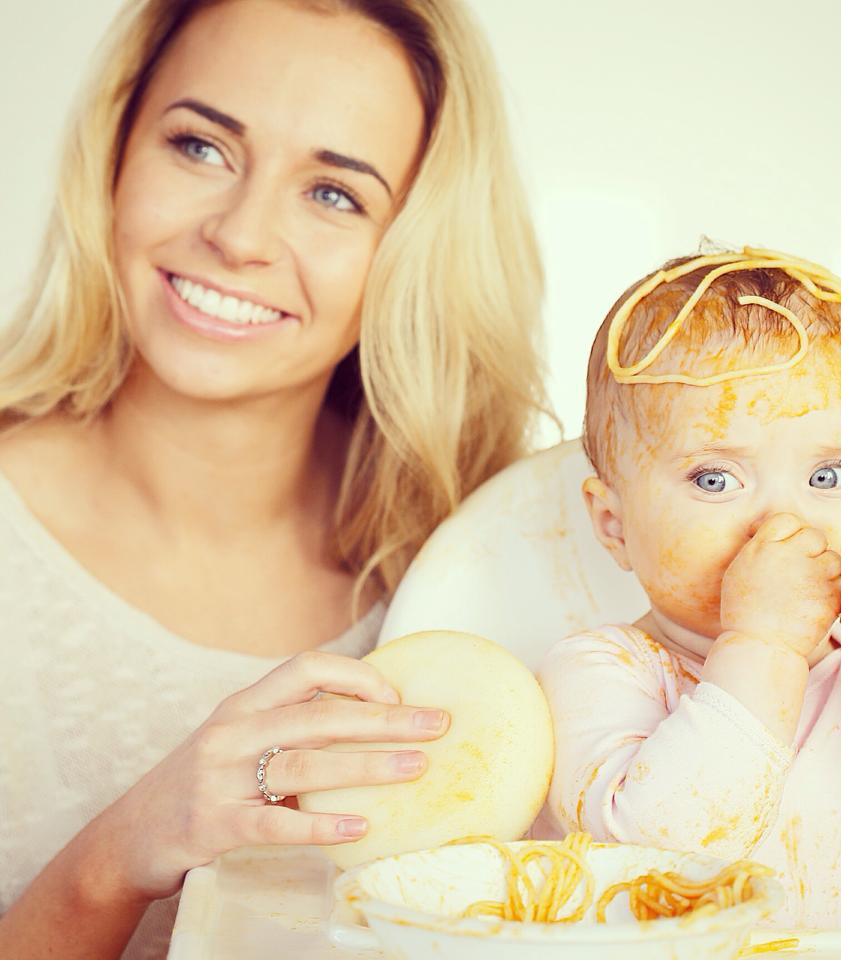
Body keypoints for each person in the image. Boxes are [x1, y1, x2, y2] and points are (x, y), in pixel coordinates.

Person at [0, 1, 548, 956]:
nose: (242, 235)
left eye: (334, 194)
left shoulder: (485, 579)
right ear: (116, 154)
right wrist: (117, 857)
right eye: (200, 146)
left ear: (409, 248)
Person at [537, 247, 841, 927]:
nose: (783, 524)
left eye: (829, 477)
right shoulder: (600, 672)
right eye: (716, 479)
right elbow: (658, 861)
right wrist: (764, 644)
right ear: (614, 526)